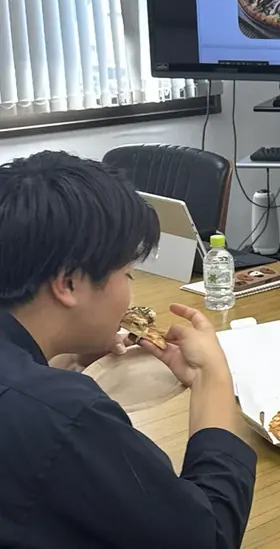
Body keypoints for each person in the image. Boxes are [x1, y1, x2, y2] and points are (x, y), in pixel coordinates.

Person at [0, 152, 256, 549]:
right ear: (68, 284)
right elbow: (206, 537)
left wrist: (55, 359)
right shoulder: (66, 412)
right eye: (127, 273)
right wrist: (214, 379)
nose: (130, 290)